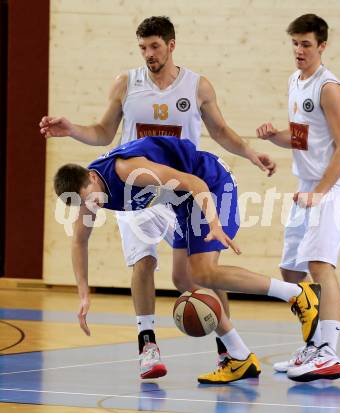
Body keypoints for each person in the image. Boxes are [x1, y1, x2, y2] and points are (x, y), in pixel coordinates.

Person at [40, 16, 275, 380]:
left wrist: (250, 153)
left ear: (171, 45)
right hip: (133, 188)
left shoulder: (197, 86)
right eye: (143, 48)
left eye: (155, 47)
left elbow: (221, 131)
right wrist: (72, 129)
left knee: (203, 273)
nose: (149, 54)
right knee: (143, 262)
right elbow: (104, 133)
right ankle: (147, 345)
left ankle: (229, 352)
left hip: (179, 187)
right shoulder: (126, 83)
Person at [53, 135, 322, 383]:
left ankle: (297, 294)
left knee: (204, 273)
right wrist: (84, 295)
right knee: (182, 278)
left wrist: (214, 222)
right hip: (183, 202)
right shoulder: (87, 195)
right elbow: (79, 241)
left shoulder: (127, 171)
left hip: (210, 182)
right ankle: (240, 357)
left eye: (91, 198)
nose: (93, 205)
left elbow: (195, 183)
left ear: (91, 177)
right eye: (84, 204)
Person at [256, 14, 340, 382]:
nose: (299, 50)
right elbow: (302, 137)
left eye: (306, 44)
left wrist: (320, 193)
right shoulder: (295, 82)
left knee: (319, 265)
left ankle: (328, 351)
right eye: (295, 43)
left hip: (331, 187)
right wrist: (274, 136)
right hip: (308, 188)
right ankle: (312, 345)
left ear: (322, 46)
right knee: (291, 271)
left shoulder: (329, 87)